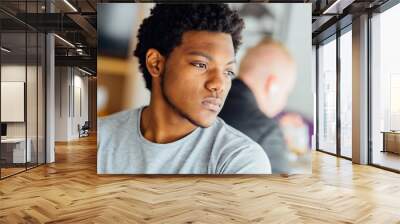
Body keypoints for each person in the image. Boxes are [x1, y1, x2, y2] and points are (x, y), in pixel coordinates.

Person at [97, 4, 271, 174]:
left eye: (228, 72)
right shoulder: (96, 140)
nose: (218, 84)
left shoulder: (239, 161)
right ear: (155, 63)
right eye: (201, 64)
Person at [219, 38, 297, 174]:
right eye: (286, 93)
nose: (284, 103)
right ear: (272, 85)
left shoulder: (211, 101)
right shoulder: (267, 131)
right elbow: (284, 190)